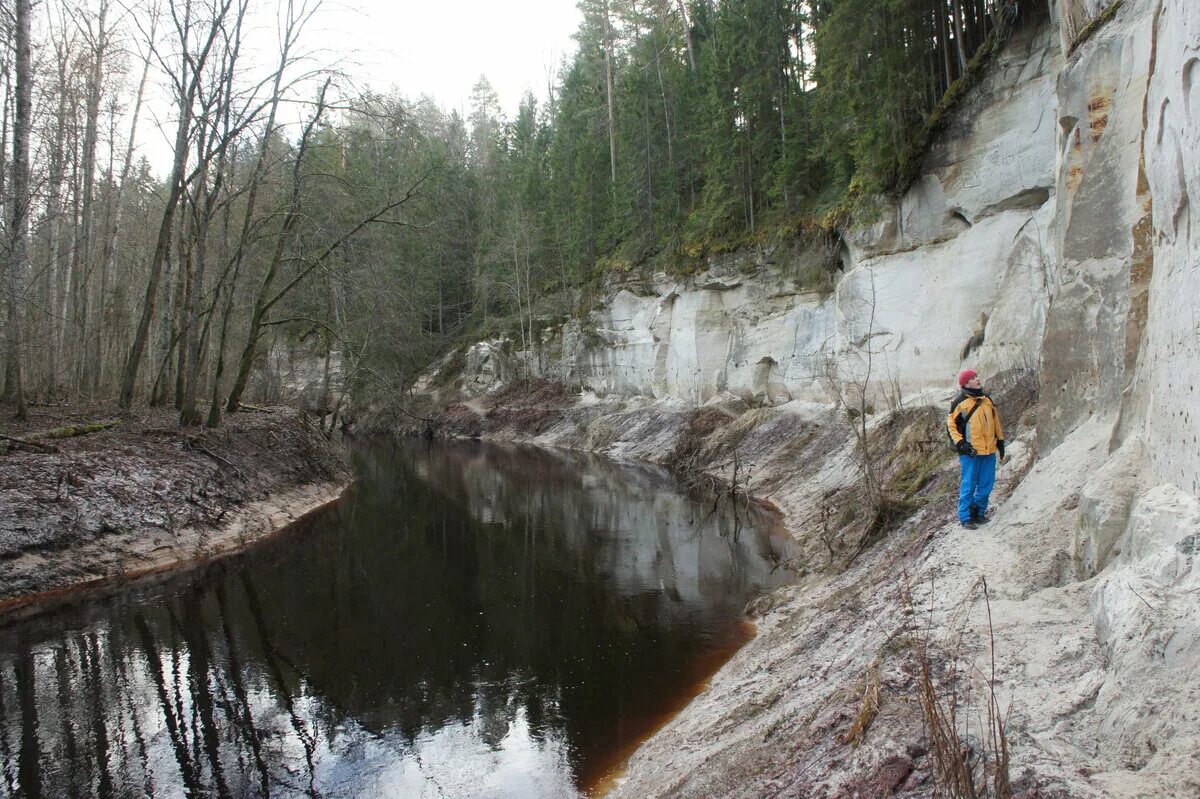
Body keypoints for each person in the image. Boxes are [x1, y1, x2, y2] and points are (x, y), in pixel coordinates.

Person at [946, 369, 1005, 529]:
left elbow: (996, 421)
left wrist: (1000, 440)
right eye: (972, 378)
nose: (977, 379)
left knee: (987, 484)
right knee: (969, 485)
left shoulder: (987, 400)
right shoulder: (959, 403)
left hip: (988, 451)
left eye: (976, 376)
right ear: (965, 383)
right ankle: (965, 517)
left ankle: (979, 513)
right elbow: (951, 426)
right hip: (970, 453)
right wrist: (961, 444)